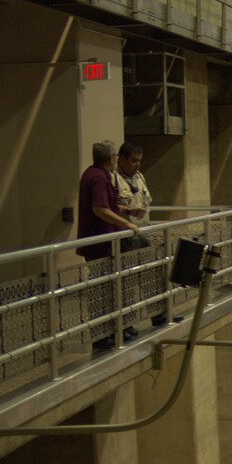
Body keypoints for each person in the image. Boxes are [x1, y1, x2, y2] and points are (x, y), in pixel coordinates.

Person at [77, 139, 141, 349]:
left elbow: (109, 206)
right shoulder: (99, 178)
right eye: (114, 157)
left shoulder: (95, 174)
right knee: (101, 290)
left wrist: (128, 211)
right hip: (100, 242)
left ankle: (112, 330)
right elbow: (99, 209)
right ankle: (101, 335)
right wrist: (128, 225)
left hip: (105, 242)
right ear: (111, 158)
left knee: (109, 287)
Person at [114, 142, 175, 327]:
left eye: (139, 161)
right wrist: (129, 210)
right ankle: (127, 324)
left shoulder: (140, 177)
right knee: (128, 284)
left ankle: (158, 315)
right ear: (121, 159)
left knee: (152, 277)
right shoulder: (113, 179)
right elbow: (108, 207)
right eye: (133, 161)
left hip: (143, 233)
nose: (137, 164)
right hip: (126, 236)